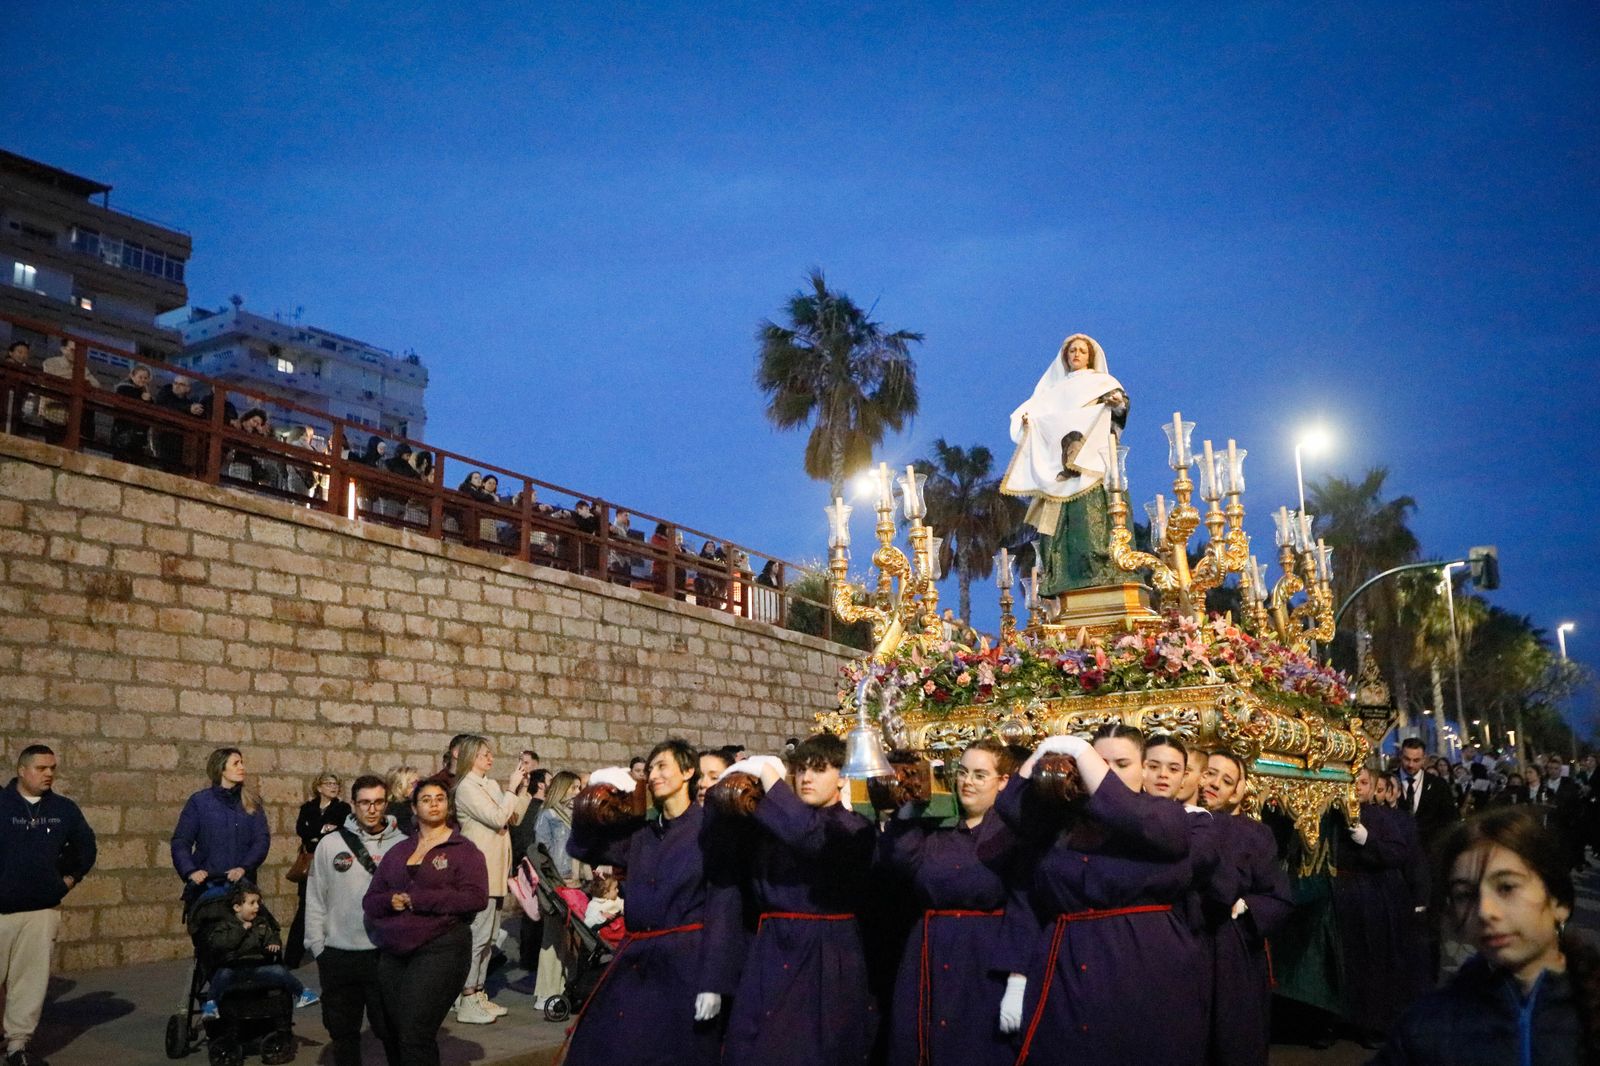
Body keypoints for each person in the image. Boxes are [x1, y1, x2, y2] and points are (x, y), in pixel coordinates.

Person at [995, 724, 1206, 1066]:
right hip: (1068, 966)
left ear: (1144, 769)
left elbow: (1141, 821)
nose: (1103, 773)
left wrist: (1084, 755)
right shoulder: (1060, 824)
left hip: (1144, 964)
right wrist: (1049, 748)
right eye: (1097, 762)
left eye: (1120, 764)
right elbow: (1010, 807)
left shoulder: (1167, 817)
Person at [560, 741, 744, 1066]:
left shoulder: (712, 830)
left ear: (688, 772)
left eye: (662, 766)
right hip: (637, 960)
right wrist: (593, 795)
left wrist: (714, 983)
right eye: (651, 768)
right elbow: (583, 846)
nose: (653, 774)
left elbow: (723, 909)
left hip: (688, 965)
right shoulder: (641, 834)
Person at [1372, 807, 1595, 1065]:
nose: (1485, 911)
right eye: (1465, 895)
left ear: (1559, 901)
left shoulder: (1588, 1010)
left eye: (1507, 887)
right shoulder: (1427, 1028)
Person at [717, 735, 877, 1066]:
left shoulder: (853, 828)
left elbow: (809, 835)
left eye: (819, 770)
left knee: (809, 1047)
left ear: (843, 777)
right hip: (771, 946)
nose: (806, 778)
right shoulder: (777, 823)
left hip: (825, 950)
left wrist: (771, 780)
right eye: (801, 769)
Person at [875, 738, 1022, 1066]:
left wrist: (1017, 977)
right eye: (963, 772)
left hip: (985, 956)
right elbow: (898, 860)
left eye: (980, 775)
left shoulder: (1010, 834)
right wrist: (907, 809)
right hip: (930, 949)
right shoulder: (938, 829)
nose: (968, 781)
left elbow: (1023, 908)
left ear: (1003, 783)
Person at [363, 777, 488, 1066]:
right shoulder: (398, 851)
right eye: (426, 799)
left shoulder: (464, 850)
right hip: (395, 950)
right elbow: (371, 900)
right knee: (389, 1030)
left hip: (441, 947)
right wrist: (389, 901)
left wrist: (420, 898)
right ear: (414, 808)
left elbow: (475, 898)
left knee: (415, 1031)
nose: (434, 804)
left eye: (440, 798)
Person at [1001, 333, 1130, 598]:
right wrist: (1029, 424)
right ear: (1065, 357)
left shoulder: (1102, 384)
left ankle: (1101, 572)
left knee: (1094, 524)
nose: (1077, 355)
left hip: (1092, 470)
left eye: (1082, 351)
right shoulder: (1052, 392)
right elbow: (1030, 421)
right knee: (1061, 532)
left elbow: (1119, 413)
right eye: (1072, 351)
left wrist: (1116, 405)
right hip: (1060, 476)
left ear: (1090, 356)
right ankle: (1065, 577)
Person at [0, 745, 97, 1066]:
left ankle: (18, 1045)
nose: (49, 774)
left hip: (41, 910)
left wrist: (66, 880)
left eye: (52, 768)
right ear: (22, 770)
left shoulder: (64, 809)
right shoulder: (2, 805)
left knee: (29, 981)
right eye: (41, 768)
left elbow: (85, 847)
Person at [1198, 751, 1293, 1066]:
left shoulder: (1254, 833)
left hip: (1230, 951)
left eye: (1226, 781)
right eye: (1209, 773)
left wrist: (1246, 906)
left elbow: (1279, 897)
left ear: (1237, 792)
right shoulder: (1172, 816)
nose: (1213, 784)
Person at [304, 775, 405, 1066]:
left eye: (377, 802)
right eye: (364, 803)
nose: (371, 809)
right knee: (343, 1034)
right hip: (338, 955)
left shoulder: (403, 845)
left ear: (386, 803)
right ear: (353, 804)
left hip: (384, 955)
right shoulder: (330, 844)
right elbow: (315, 898)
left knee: (391, 1031)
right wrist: (318, 947)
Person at [1337, 766, 1423, 1046]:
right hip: (1345, 895)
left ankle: (1374, 1024)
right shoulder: (1334, 814)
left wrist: (1368, 840)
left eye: (1363, 783)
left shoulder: (1383, 817)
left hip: (1376, 895)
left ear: (1374, 789)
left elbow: (1398, 852)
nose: (1358, 787)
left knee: (1375, 960)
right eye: (1352, 782)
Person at [451, 736, 530, 1023]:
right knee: (477, 936)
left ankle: (478, 991)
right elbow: (497, 818)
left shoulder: (490, 785)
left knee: (489, 937)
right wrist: (510, 789)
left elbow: (514, 817)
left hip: (497, 869)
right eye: (485, 754)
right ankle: (466, 996)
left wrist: (520, 789)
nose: (490, 759)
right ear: (471, 757)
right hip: (479, 870)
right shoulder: (465, 788)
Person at [171, 748, 270, 908]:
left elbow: (261, 840)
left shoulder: (252, 802)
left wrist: (243, 868)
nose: (242, 768)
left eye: (242, 763)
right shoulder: (199, 802)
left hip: (243, 890)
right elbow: (181, 841)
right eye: (236, 763)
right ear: (221, 769)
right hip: (208, 888)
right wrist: (190, 871)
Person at [197, 880, 317, 1011]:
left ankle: (303, 993)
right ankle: (211, 1003)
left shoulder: (260, 924)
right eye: (252, 903)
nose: (257, 907)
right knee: (221, 976)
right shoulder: (226, 926)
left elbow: (270, 935)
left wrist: (273, 942)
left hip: (257, 967)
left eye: (258, 903)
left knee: (280, 971)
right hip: (233, 968)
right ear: (237, 907)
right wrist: (241, 929)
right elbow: (222, 943)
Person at [286, 771, 352, 967]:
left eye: (336, 784)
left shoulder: (342, 808)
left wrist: (317, 833)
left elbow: (340, 830)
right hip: (310, 862)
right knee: (305, 908)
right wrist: (321, 830)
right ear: (319, 787)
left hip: (331, 862)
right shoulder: (308, 807)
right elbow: (302, 830)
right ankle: (291, 958)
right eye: (329, 783)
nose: (333, 787)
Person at [529, 770, 582, 1007]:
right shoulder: (548, 815)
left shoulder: (575, 817)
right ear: (562, 789)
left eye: (579, 788)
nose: (578, 793)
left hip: (575, 881)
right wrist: (554, 881)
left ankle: (565, 984)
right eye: (574, 788)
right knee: (552, 938)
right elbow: (543, 853)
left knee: (569, 938)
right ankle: (545, 991)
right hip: (557, 883)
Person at [1397, 737, 1459, 847]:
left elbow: (1450, 818)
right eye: (1407, 759)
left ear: (1424, 759)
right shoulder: (1389, 781)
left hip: (1431, 848)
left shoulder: (1438, 784)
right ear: (1400, 756)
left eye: (1416, 760)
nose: (1410, 765)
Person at [385, 766, 421, 836]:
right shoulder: (398, 810)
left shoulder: (408, 805)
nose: (419, 787)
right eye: (414, 784)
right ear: (400, 786)